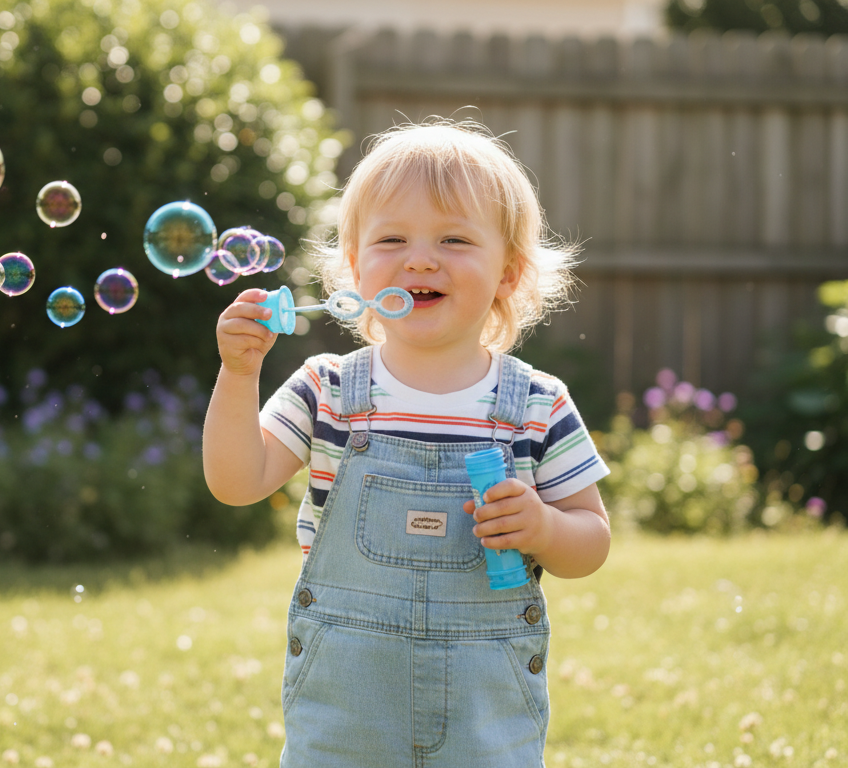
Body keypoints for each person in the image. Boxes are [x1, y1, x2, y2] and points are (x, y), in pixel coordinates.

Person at [203, 121, 611, 767]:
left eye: (453, 239)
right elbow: (235, 481)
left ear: (509, 272)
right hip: (345, 715)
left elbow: (592, 539)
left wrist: (544, 528)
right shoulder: (327, 390)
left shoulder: (538, 404)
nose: (420, 259)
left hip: (486, 718)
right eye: (392, 239)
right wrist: (239, 373)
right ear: (356, 268)